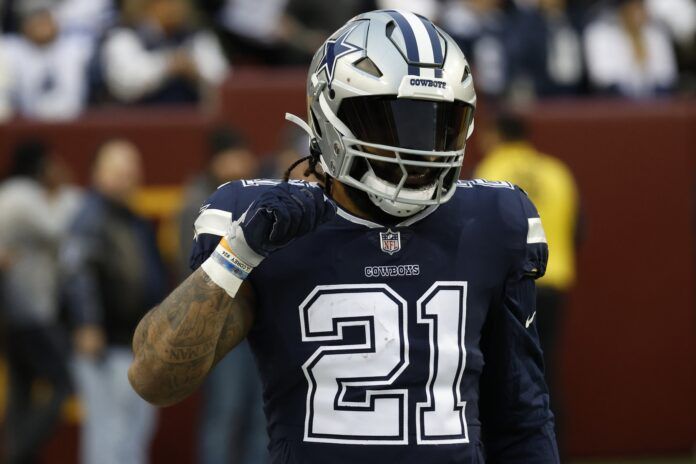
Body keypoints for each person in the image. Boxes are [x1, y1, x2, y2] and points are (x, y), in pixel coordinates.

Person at [129, 10, 559, 464]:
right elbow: (155, 379)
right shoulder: (262, 224)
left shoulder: (491, 220)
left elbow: (522, 418)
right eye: (389, 121)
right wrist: (237, 252)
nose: (418, 150)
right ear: (329, 114)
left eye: (438, 123)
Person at [474, 113, 580, 457]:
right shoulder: (557, 171)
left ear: (496, 134)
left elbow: (479, 235)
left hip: (509, 288)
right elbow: (579, 230)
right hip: (554, 284)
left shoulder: (492, 170)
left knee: (502, 374)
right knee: (545, 371)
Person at [61, 140, 168, 464]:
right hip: (105, 345)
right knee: (109, 436)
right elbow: (77, 274)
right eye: (117, 169)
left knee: (133, 434)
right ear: (97, 173)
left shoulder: (133, 220)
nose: (127, 175)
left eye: (131, 168)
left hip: (136, 345)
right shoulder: (89, 217)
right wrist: (87, 323)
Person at [177, 126, 266, 464]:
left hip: (259, 323)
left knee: (260, 414)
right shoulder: (197, 202)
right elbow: (193, 269)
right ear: (218, 160)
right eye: (236, 154)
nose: (244, 162)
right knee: (225, 412)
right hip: (220, 325)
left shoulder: (259, 194)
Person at [0, 140, 81, 464]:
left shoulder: (10, 193)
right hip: (29, 309)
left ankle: (17, 452)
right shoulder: (21, 194)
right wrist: (66, 190)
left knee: (22, 390)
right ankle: (18, 453)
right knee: (62, 383)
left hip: (14, 311)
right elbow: (61, 227)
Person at [101, 0, 228, 105]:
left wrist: (195, 72)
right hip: (137, 121)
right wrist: (170, 64)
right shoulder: (124, 36)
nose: (177, 6)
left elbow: (222, 81)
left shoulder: (197, 37)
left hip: (190, 121)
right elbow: (124, 84)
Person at [0, 0, 93, 120]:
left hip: (71, 123)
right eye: (35, 18)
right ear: (23, 24)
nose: (41, 24)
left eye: (45, 17)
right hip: (26, 126)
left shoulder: (76, 47)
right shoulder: (10, 49)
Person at [583, 0, 678, 98]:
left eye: (640, 7)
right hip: (615, 103)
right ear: (620, 10)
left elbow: (666, 78)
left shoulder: (657, 36)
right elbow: (603, 80)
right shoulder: (601, 34)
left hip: (655, 103)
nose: (637, 13)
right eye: (632, 7)